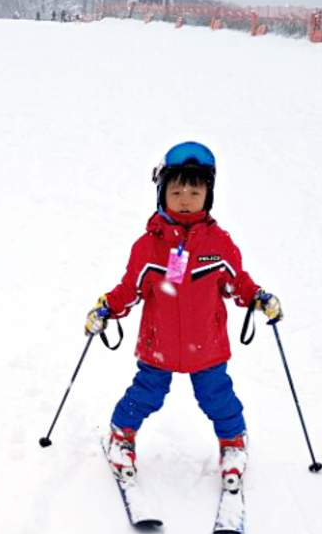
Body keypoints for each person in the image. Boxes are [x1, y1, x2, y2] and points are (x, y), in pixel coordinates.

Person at [84, 142, 282, 496]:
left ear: (209, 195)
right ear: (162, 194)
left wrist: (257, 297)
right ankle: (121, 435)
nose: (186, 200)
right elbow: (131, 288)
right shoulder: (148, 247)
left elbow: (237, 282)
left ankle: (233, 442)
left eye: (195, 192)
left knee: (217, 396)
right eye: (176, 192)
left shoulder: (219, 245)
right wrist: (106, 308)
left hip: (206, 344)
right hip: (158, 343)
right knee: (145, 394)